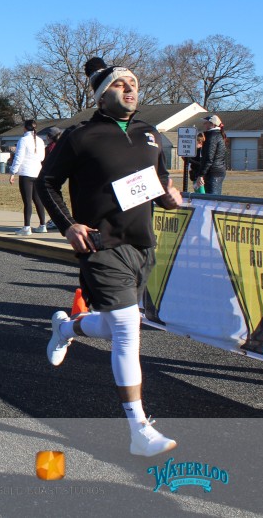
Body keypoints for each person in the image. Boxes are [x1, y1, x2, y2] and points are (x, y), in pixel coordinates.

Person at [37, 56, 183, 457]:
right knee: (127, 331)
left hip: (141, 244)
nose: (130, 88)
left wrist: (170, 197)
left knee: (119, 325)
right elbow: (47, 183)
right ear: (102, 97)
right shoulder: (80, 136)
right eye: (120, 84)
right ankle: (139, 430)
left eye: (133, 82)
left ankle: (67, 329)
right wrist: (68, 225)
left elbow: (159, 181)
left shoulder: (150, 133)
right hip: (101, 246)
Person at [10, 119, 47, 235]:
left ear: (25, 128)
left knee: (27, 201)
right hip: (37, 172)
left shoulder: (23, 140)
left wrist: (13, 172)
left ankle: (26, 227)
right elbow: (42, 157)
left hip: (26, 173)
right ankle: (43, 225)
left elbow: (19, 157)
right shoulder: (40, 140)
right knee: (38, 199)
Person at [194, 115, 227, 195]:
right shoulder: (217, 135)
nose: (204, 124)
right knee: (213, 198)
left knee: (212, 199)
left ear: (212, 124)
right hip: (217, 171)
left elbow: (208, 158)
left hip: (213, 172)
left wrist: (201, 175)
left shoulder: (212, 137)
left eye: (206, 123)